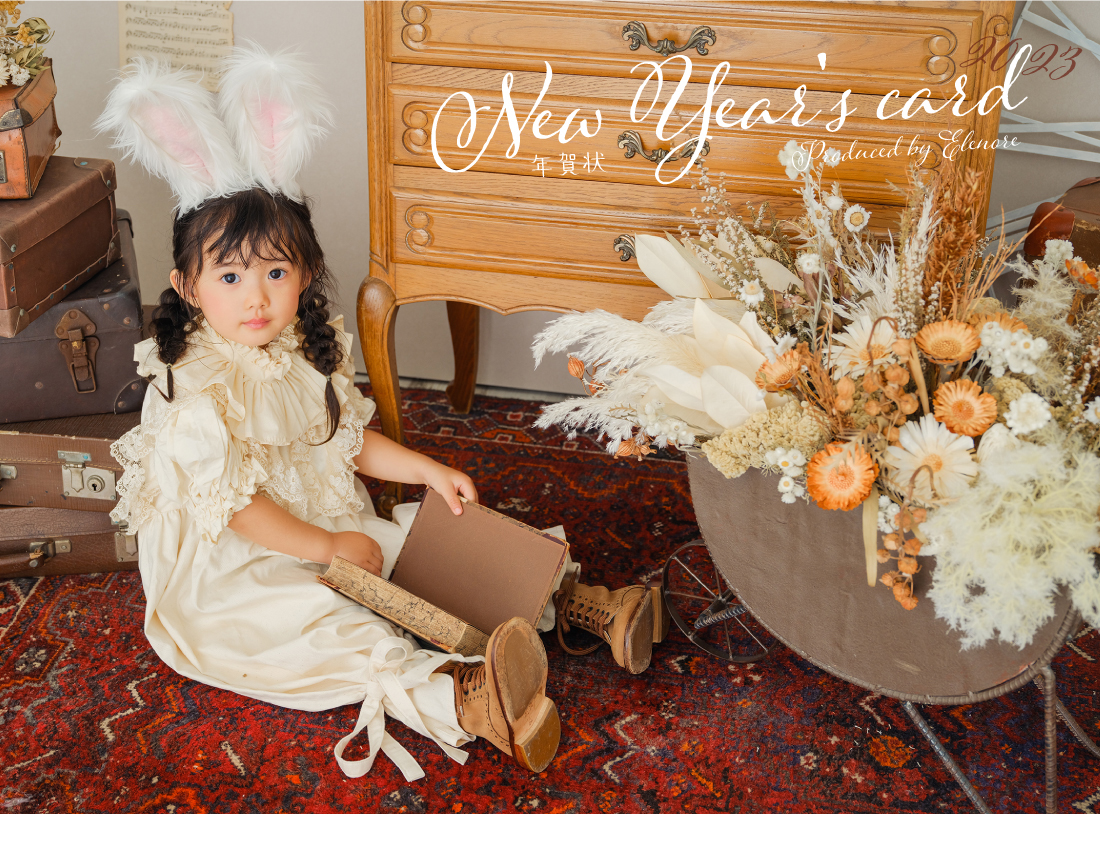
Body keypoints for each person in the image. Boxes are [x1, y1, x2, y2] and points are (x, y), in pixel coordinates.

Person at [97, 45, 661, 783]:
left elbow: (345, 441)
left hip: (323, 523)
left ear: (305, 272)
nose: (256, 297)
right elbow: (236, 509)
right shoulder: (190, 385)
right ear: (188, 285)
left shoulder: (300, 350)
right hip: (239, 561)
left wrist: (425, 469)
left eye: (275, 272)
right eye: (229, 276)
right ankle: (467, 700)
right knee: (324, 623)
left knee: (421, 545)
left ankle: (578, 601)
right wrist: (327, 545)